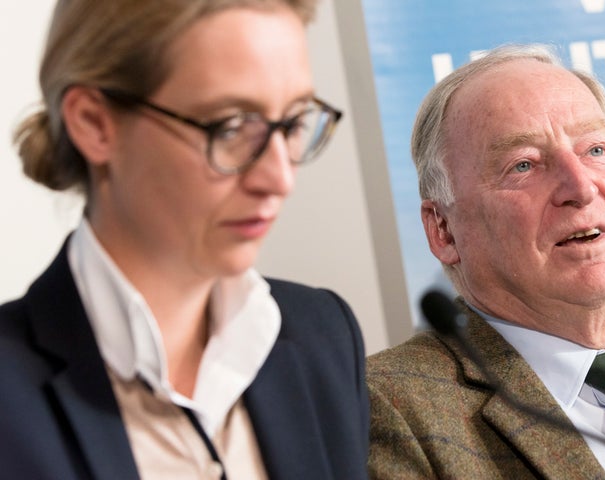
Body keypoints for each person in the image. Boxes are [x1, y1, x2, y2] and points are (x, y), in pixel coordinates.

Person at [0, 1, 369, 479]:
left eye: (294, 122)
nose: (280, 178)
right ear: (94, 123)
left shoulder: (323, 337)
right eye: (232, 125)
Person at [366, 44, 605, 479]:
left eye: (595, 150)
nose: (581, 187)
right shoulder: (386, 411)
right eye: (524, 165)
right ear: (443, 229)